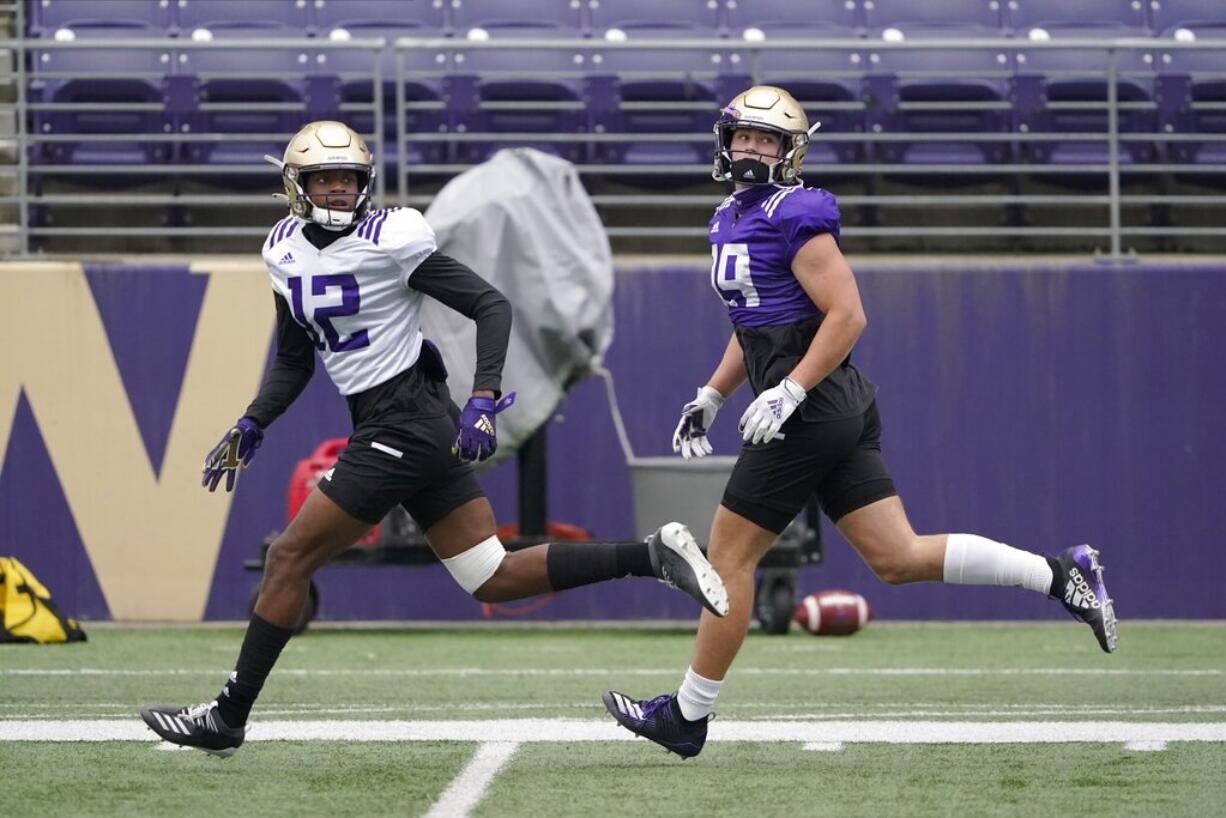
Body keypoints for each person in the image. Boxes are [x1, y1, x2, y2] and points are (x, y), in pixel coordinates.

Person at [139, 121, 728, 757]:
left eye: (348, 179)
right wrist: (253, 420)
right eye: (324, 180)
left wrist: (482, 398)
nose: (338, 191)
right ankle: (654, 556)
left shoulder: (392, 236)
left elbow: (490, 304)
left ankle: (227, 717)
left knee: (288, 559)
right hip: (394, 420)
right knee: (491, 576)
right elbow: (294, 360)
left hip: (407, 418)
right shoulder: (281, 249)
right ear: (296, 186)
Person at [601, 86, 1117, 759]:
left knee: (727, 559)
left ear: (790, 152)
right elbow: (751, 324)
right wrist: (713, 394)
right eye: (744, 137)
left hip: (810, 410)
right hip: (827, 407)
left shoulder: (796, 214)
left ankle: (688, 716)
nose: (751, 149)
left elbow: (847, 315)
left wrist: (788, 390)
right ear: (725, 141)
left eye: (767, 140)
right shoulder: (728, 217)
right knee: (896, 557)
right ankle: (1062, 576)